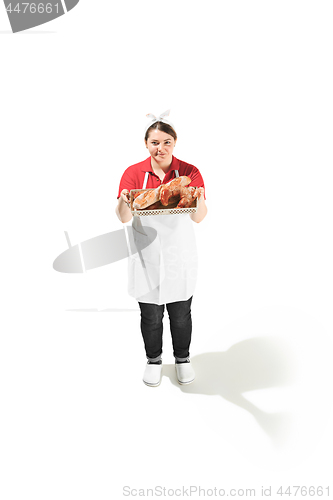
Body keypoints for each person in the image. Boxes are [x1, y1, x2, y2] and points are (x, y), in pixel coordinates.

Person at [116, 110, 207, 387]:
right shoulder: (133, 173)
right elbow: (123, 217)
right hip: (147, 254)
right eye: (155, 142)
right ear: (146, 144)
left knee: (180, 313)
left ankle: (182, 359)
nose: (161, 148)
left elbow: (198, 217)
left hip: (179, 252)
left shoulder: (189, 173)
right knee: (151, 315)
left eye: (166, 142)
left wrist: (200, 199)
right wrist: (123, 199)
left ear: (175, 142)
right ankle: (154, 360)